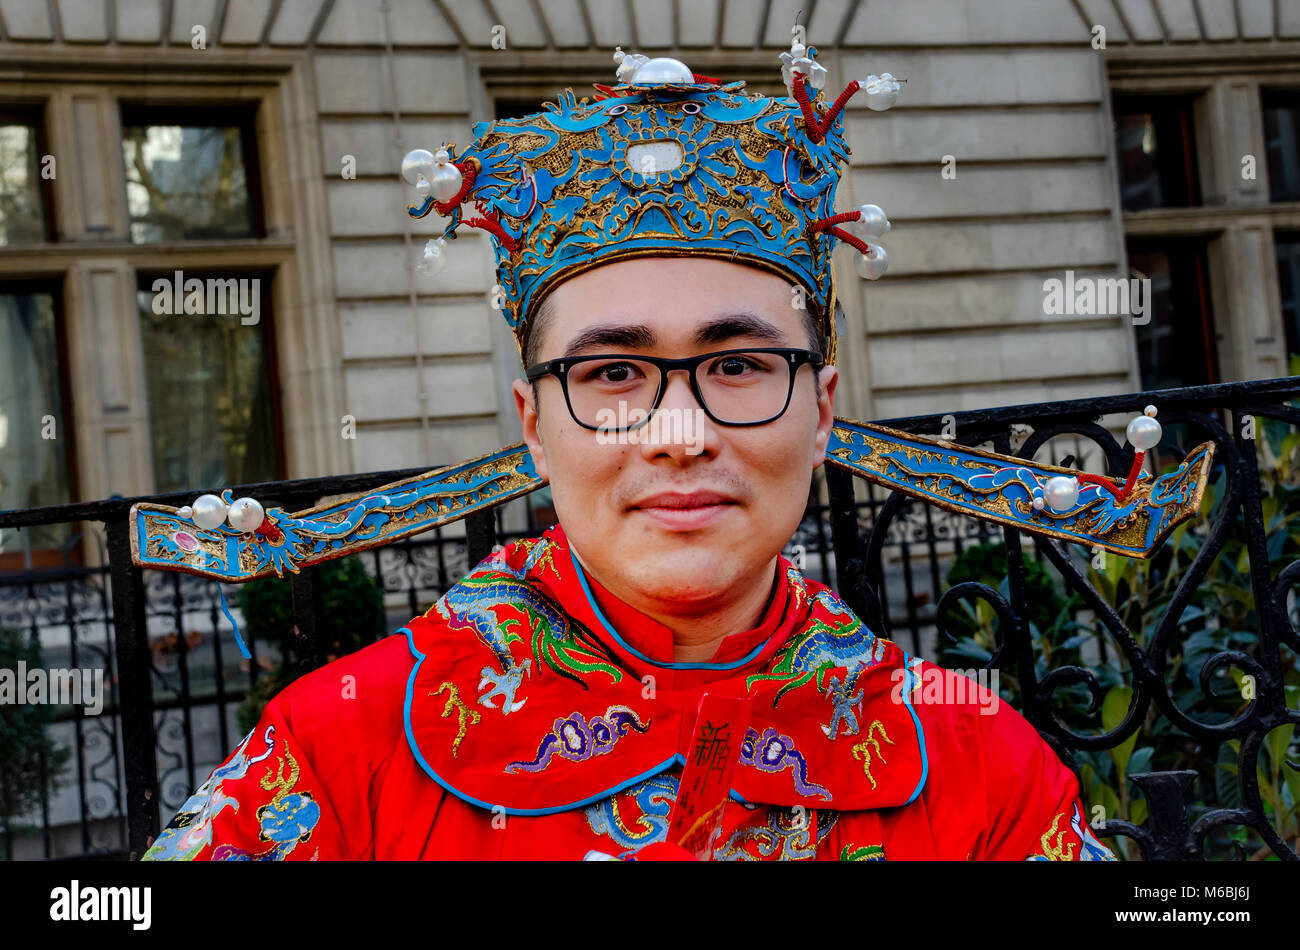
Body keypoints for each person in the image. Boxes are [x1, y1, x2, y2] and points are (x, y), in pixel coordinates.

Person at [142, 45, 1114, 861]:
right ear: (532, 420)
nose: (679, 434)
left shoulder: (980, 763)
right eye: (611, 374)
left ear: (820, 409)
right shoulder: (339, 750)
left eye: (737, 364)